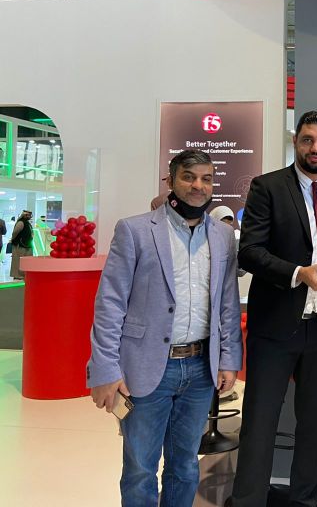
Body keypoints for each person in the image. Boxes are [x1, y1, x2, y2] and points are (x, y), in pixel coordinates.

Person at [87, 149, 242, 507]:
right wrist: (106, 369)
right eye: (188, 177)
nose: (197, 186)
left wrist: (229, 358)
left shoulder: (221, 236)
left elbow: (227, 304)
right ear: (171, 181)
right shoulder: (135, 230)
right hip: (146, 367)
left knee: (185, 465)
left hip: (201, 368)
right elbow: (109, 304)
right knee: (140, 468)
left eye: (206, 178)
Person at [231, 110, 317, 507]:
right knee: (260, 422)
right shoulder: (267, 187)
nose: (315, 148)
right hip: (276, 326)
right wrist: (300, 272)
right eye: (307, 140)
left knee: (313, 424)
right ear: (296, 143)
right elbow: (249, 252)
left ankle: (305, 500)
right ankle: (249, 499)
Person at [9, 209, 33, 279]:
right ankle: (17, 275)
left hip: (26, 245)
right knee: (17, 260)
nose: (29, 216)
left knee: (25, 261)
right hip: (19, 246)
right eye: (28, 215)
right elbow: (15, 233)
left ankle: (23, 274)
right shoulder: (21, 223)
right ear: (25, 215)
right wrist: (13, 239)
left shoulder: (27, 223)